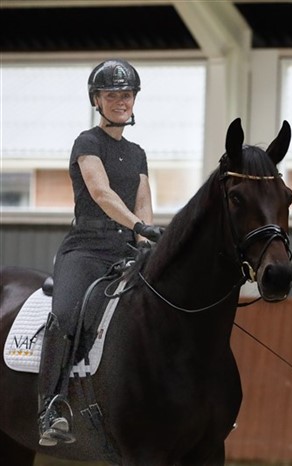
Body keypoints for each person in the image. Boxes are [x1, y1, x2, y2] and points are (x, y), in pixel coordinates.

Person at [37, 59, 163, 447]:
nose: (120, 101)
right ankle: (51, 407)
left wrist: (146, 242)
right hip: (86, 249)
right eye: (112, 95)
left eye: (126, 95)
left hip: (125, 248)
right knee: (65, 313)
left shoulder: (138, 152)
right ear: (97, 100)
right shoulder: (87, 143)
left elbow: (143, 201)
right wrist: (138, 227)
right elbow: (101, 192)